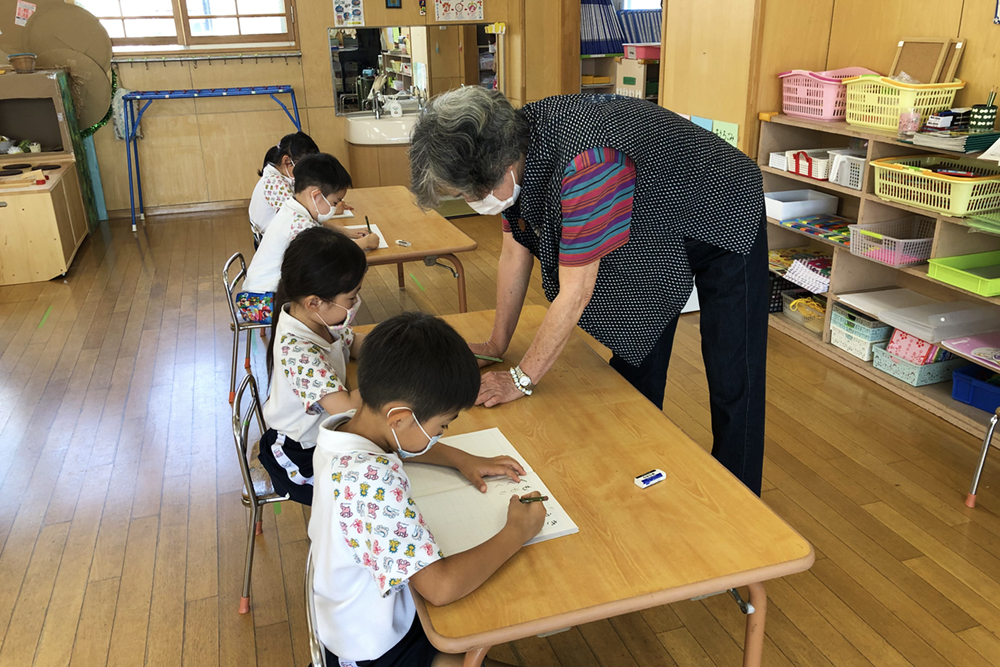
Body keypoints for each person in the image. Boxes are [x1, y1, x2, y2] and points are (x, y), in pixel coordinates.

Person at [409, 87, 768, 496]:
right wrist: (497, 342)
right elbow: (515, 248)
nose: (471, 202)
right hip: (650, 217)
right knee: (637, 348)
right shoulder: (510, 142)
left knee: (733, 368)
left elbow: (575, 292)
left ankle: (745, 503)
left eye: (466, 194)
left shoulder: (586, 163)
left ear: (501, 167)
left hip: (722, 208)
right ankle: (636, 473)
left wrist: (520, 379)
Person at [310, 312, 544, 667]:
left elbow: (401, 441)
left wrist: (461, 459)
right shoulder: (371, 479)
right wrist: (517, 531)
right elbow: (440, 588)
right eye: (442, 425)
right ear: (400, 418)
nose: (441, 434)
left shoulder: (343, 431)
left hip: (358, 616)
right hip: (377, 650)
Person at [256, 226, 368, 505]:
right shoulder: (299, 351)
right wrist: (394, 374)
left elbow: (354, 344)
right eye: (351, 298)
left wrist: (399, 347)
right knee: (370, 487)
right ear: (315, 302)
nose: (356, 303)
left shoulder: (319, 319)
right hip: (300, 457)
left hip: (323, 435)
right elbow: (346, 409)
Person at [239, 153, 379, 323]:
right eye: (335, 202)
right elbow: (331, 259)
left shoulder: (293, 207)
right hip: (258, 303)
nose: (335, 207)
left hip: (256, 295)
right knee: (324, 306)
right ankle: (321, 342)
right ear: (316, 195)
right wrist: (365, 243)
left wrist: (345, 232)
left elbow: (319, 225)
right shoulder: (299, 226)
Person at [250, 131, 321, 245]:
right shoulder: (274, 183)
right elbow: (297, 219)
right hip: (273, 245)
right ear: (287, 161)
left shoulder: (282, 177)